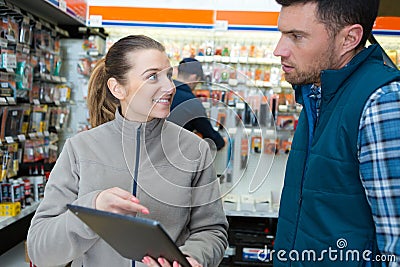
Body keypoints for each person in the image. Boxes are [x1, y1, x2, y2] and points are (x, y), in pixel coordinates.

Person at [27, 35, 228, 267]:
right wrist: (94, 207)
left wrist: (194, 257)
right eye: (153, 76)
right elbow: (40, 249)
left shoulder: (195, 150)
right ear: (117, 88)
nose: (170, 87)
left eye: (169, 75)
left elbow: (212, 230)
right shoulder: (80, 149)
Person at [272, 0, 400, 266]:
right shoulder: (317, 94)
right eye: (282, 34)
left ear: (349, 38)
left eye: (297, 36)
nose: (279, 50)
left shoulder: (382, 103)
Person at [168, 58, 225, 151]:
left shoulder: (162, 92)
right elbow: (211, 136)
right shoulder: (191, 102)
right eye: (198, 81)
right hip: (175, 156)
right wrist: (222, 142)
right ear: (194, 77)